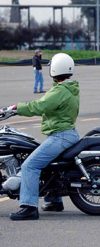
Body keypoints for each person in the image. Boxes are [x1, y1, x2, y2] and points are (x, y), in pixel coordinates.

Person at [4, 53, 80, 220]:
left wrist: (17, 108)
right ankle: (54, 200)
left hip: (61, 136)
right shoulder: (69, 88)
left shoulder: (60, 91)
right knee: (48, 165)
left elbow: (40, 106)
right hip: (65, 134)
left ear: (54, 69)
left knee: (29, 166)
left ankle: (29, 207)